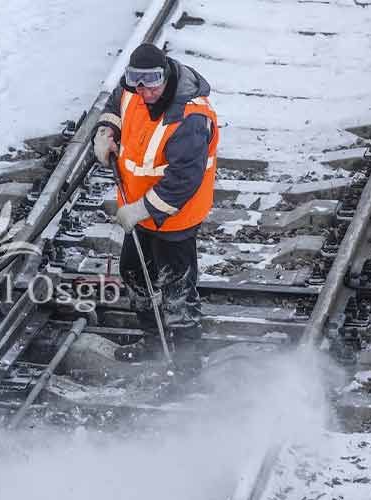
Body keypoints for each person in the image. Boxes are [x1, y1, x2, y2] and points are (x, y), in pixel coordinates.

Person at [92, 43, 218, 371]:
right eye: (137, 82)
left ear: (166, 77)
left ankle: (187, 367)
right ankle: (154, 343)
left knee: (176, 290)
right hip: (139, 211)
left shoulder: (190, 119)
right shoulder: (134, 88)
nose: (144, 91)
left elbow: (181, 184)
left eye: (152, 83)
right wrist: (105, 131)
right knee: (135, 274)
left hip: (174, 218)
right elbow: (115, 102)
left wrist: (139, 210)